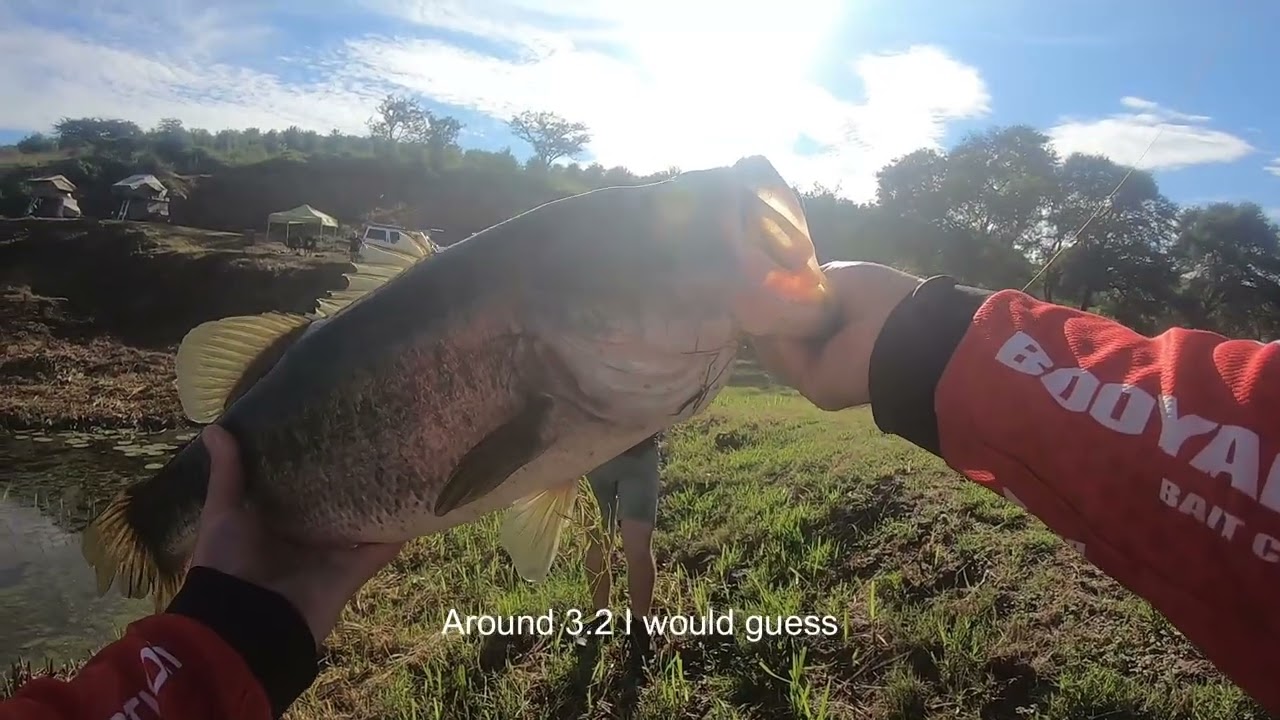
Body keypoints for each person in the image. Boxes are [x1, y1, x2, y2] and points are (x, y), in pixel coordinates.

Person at [2, 260, 1277, 718]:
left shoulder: (639, 377)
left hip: (591, 431)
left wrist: (219, 649)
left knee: (634, 522)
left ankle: (637, 607)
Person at [580, 434, 662, 659]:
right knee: (598, 544)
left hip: (637, 454)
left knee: (636, 547)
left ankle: (639, 627)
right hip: (591, 457)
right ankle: (601, 618)